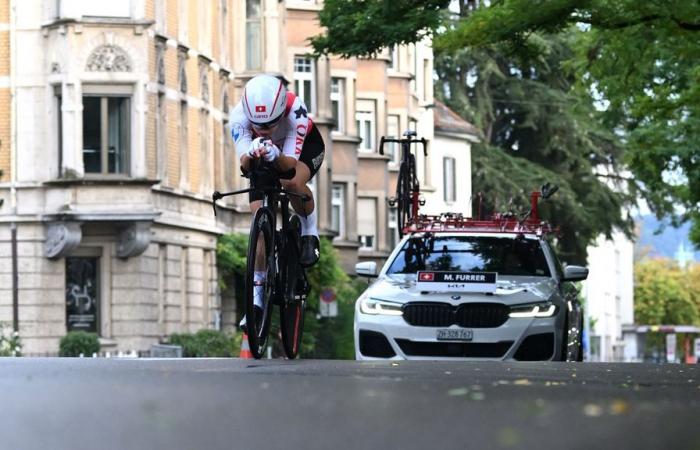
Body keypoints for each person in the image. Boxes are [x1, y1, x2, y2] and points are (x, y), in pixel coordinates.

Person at [229, 74, 324, 326]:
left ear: (281, 112)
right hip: (263, 154)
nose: (263, 129)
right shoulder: (238, 117)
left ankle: (309, 231)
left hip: (303, 150)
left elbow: (289, 166)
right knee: (258, 218)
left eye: (270, 124)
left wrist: (274, 152)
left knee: (292, 183)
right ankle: (257, 300)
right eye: (258, 125)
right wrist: (252, 152)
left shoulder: (296, 112)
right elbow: (245, 165)